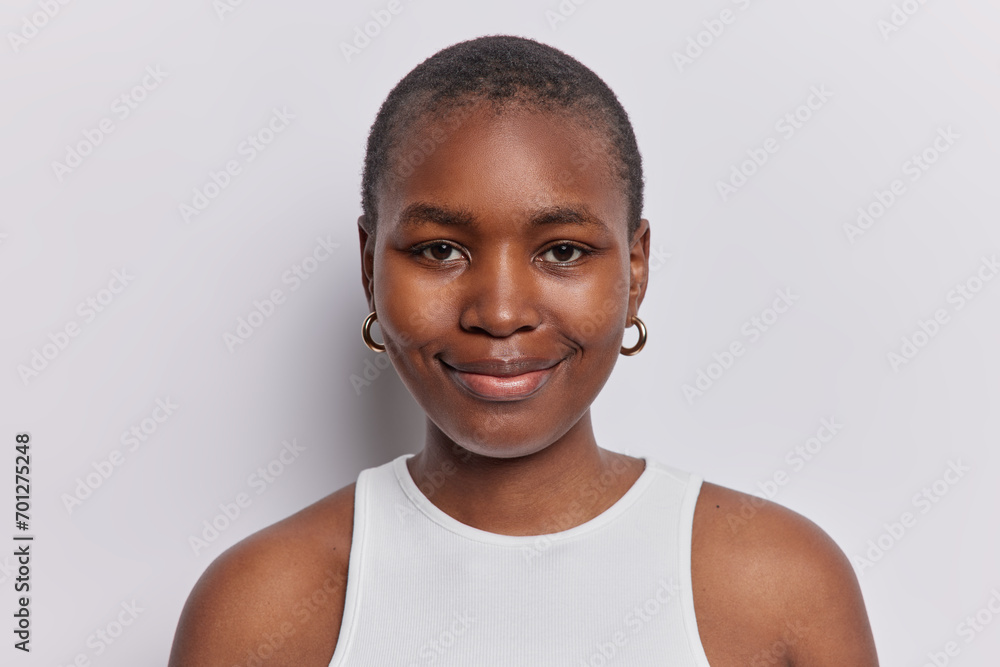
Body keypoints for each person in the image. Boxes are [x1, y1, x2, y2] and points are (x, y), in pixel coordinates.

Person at [168, 35, 879, 666]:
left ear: (635, 271)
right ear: (369, 267)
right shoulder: (259, 607)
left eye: (562, 250)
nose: (500, 312)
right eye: (439, 250)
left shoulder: (781, 585)